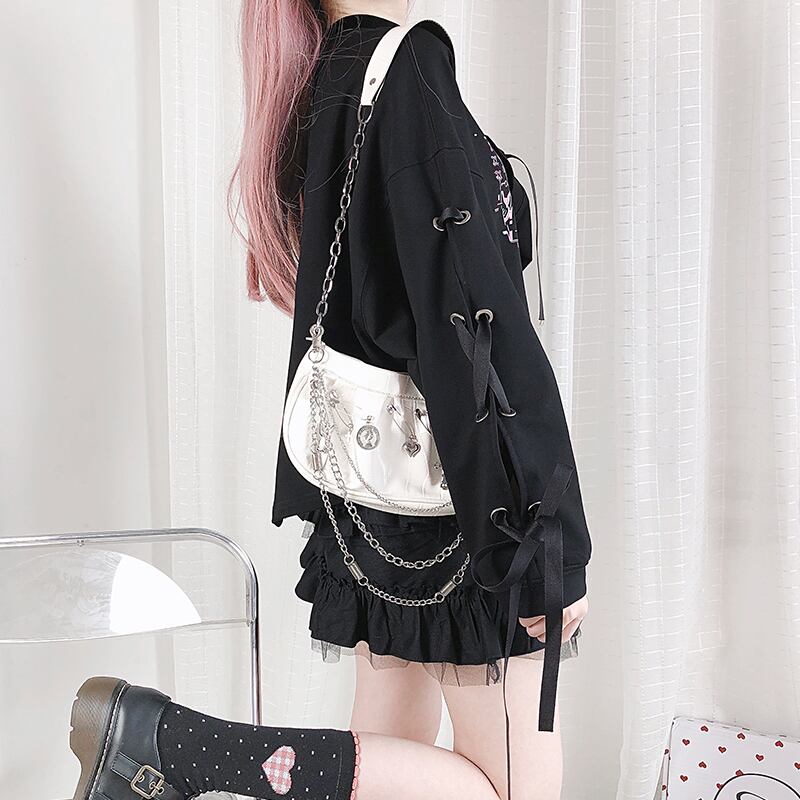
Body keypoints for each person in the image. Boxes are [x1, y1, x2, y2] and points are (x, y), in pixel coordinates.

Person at [67, 3, 591, 800]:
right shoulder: (404, 66)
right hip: (466, 507)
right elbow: (472, 321)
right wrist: (549, 530)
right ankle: (172, 745)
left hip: (376, 501)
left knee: (389, 753)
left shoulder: (331, 74)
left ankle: (169, 746)